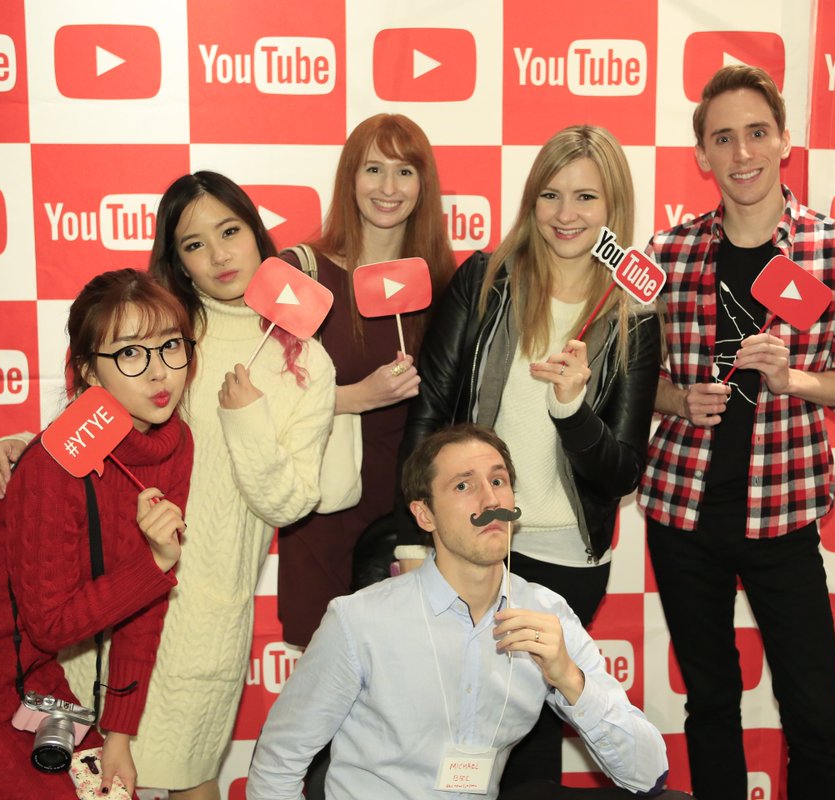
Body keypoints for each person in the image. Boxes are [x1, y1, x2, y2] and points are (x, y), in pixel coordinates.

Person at [0, 172, 336, 799]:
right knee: (96, 782)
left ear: (257, 234)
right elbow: (93, 428)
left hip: (206, 613)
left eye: (230, 231)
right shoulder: (162, 329)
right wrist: (22, 447)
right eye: (195, 244)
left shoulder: (304, 360)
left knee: (191, 781)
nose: (219, 255)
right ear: (178, 260)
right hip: (114, 598)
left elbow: (288, 502)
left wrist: (247, 420)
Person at [640, 65, 835, 799]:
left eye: (756, 133)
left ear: (784, 141)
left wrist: (795, 381)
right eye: (723, 138)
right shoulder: (667, 253)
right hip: (682, 513)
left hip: (783, 514)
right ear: (701, 155)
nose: (742, 153)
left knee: (815, 717)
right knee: (710, 703)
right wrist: (677, 400)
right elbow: (631, 381)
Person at [395, 124, 660, 790]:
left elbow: (622, 471)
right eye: (550, 195)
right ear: (531, 199)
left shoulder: (632, 315)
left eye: (586, 197)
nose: (566, 214)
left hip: (564, 559)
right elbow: (431, 413)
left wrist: (572, 410)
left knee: (532, 744)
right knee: (451, 731)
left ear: (614, 207)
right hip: (469, 543)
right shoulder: (486, 280)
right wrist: (414, 535)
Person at [0, 269, 195, 797]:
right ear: (89, 371)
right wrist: (156, 564)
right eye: (130, 353)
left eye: (170, 345)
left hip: (27, 675)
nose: (159, 371)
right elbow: (52, 625)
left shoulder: (174, 445)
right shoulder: (54, 463)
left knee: (104, 790)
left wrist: (119, 736)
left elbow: (143, 608)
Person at [246, 424, 670, 800]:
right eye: (464, 486)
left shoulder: (546, 613)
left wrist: (570, 680)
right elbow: (277, 764)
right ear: (424, 514)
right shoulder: (359, 621)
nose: (491, 499)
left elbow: (648, 774)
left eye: (499, 481)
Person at [275, 112, 456, 649]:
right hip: (326, 507)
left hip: (418, 511)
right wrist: (357, 397)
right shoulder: (303, 273)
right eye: (373, 169)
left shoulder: (447, 282)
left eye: (405, 171)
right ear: (350, 177)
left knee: (410, 675)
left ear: (423, 184)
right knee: (326, 677)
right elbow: (264, 400)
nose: (388, 188)